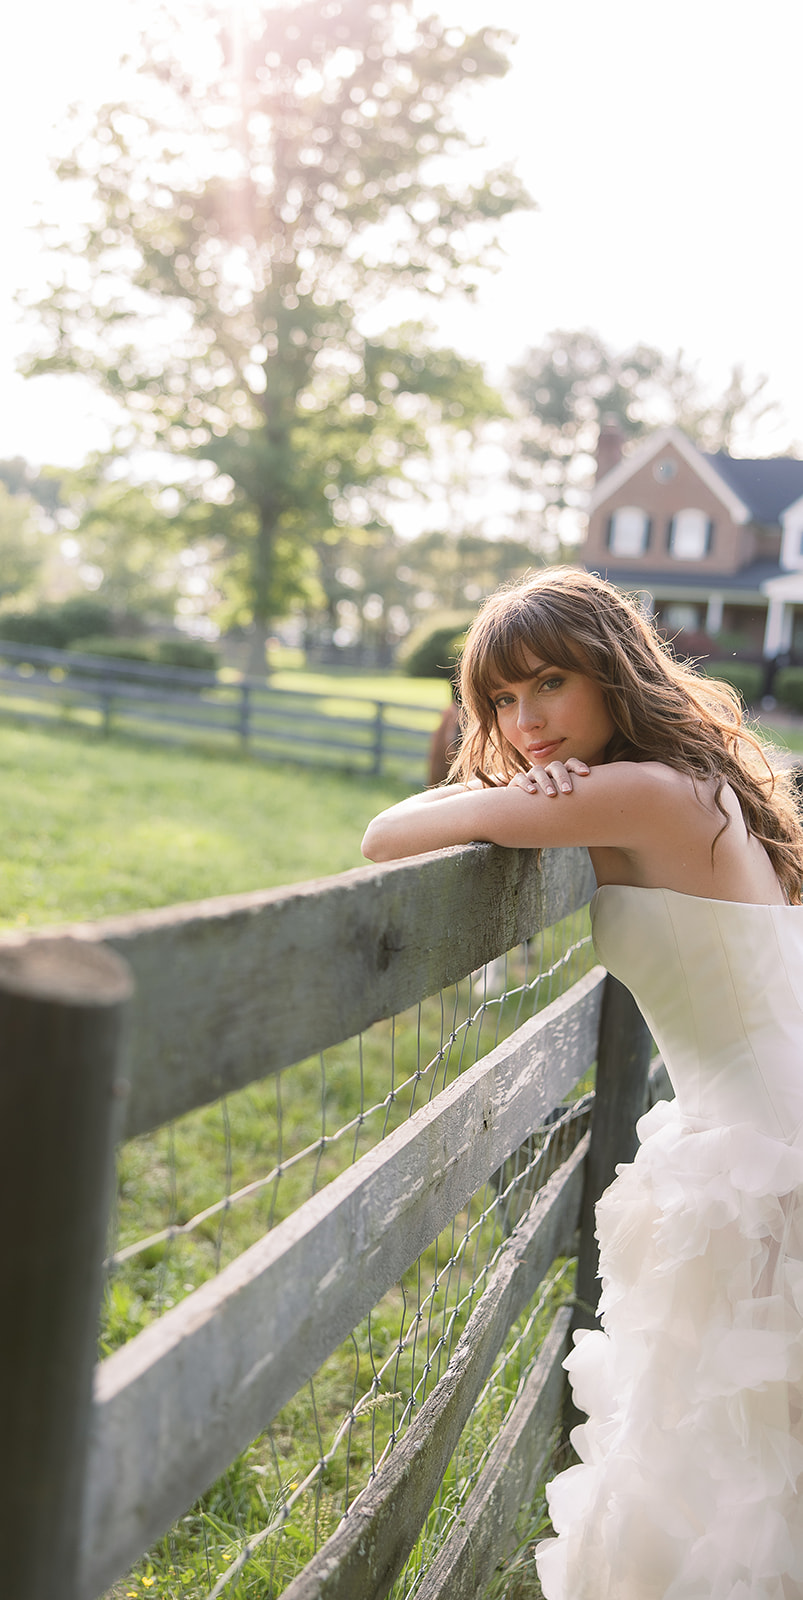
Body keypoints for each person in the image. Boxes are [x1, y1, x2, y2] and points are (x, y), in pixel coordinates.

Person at [362, 567, 803, 1600]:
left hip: (759, 1154)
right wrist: (522, 787)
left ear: (613, 670)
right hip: (764, 1128)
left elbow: (384, 833)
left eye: (547, 684)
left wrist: (505, 795)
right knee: (756, 1444)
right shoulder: (701, 777)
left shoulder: (638, 790)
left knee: (728, 1456)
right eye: (500, 702)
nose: (523, 723)